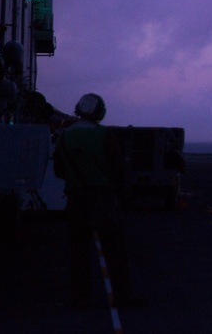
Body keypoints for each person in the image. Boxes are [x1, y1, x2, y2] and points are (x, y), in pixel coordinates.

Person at [53, 93, 146, 308]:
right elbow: (117, 169)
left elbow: (59, 170)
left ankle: (80, 298)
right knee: (115, 251)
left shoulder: (64, 137)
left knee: (79, 252)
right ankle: (123, 296)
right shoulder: (104, 136)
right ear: (100, 113)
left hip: (76, 199)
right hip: (102, 198)